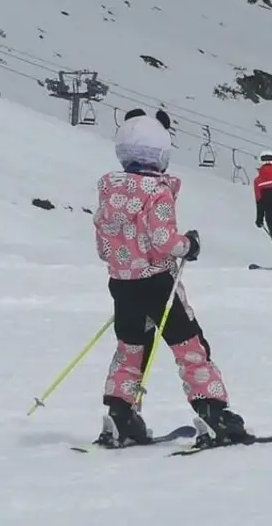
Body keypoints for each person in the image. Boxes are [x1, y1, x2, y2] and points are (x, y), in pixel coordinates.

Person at [91, 114, 249, 447]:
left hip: (122, 283)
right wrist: (188, 245)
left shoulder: (109, 193)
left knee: (131, 347)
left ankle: (121, 415)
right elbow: (163, 240)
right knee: (189, 346)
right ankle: (213, 413)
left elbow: (104, 247)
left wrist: (126, 263)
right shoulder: (157, 192)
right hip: (157, 284)